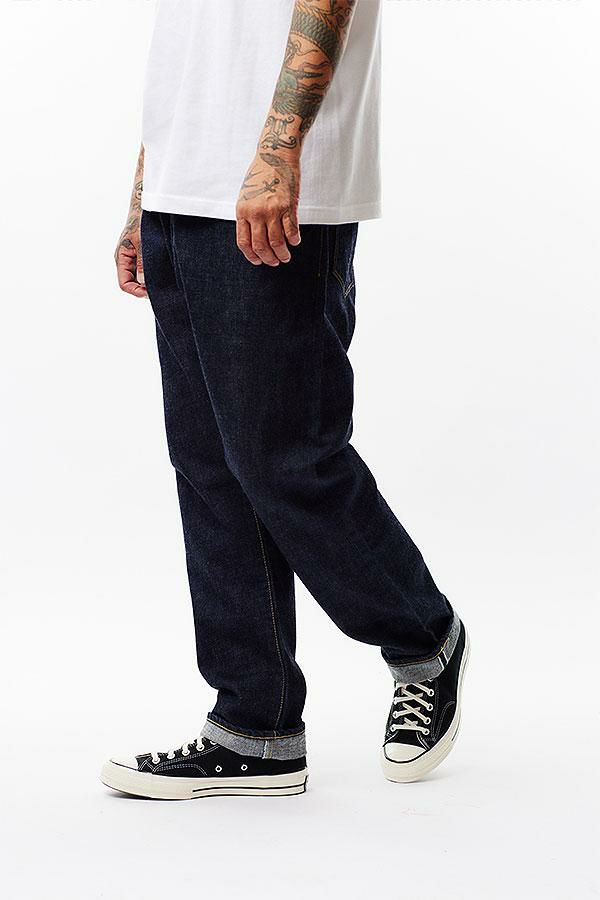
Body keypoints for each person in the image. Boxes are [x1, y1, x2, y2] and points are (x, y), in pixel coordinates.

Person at [101, 0, 469, 801]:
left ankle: (424, 638)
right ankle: (255, 729)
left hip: (276, 187)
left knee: (288, 459)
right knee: (210, 468)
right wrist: (144, 191)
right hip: (182, 191)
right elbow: (193, 43)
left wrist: (278, 149)